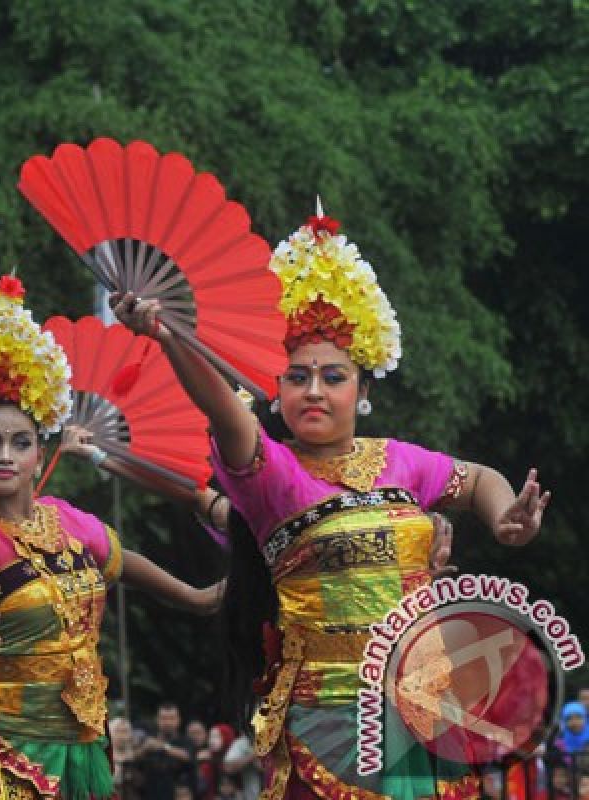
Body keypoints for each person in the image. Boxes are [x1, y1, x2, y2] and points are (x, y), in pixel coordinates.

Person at [113, 206, 549, 799]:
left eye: (333, 377)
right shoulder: (273, 474)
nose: (313, 390)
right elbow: (222, 412)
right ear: (276, 387)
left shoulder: (402, 461)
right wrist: (168, 339)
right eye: (296, 377)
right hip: (325, 725)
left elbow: (476, 480)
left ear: (363, 389)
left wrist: (503, 516)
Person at [0, 275, 226, 799]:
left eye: (20, 443)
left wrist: (196, 596)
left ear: (39, 457)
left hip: (82, 745)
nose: (5, 455)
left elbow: (121, 560)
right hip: (6, 752)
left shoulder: (66, 519)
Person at [136, 704, 193, 800]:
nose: (168, 722)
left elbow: (188, 756)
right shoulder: (148, 739)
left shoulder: (185, 740)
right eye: (164, 718)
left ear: (178, 720)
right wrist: (144, 749)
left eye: (171, 718)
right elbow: (132, 757)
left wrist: (163, 747)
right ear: (157, 720)